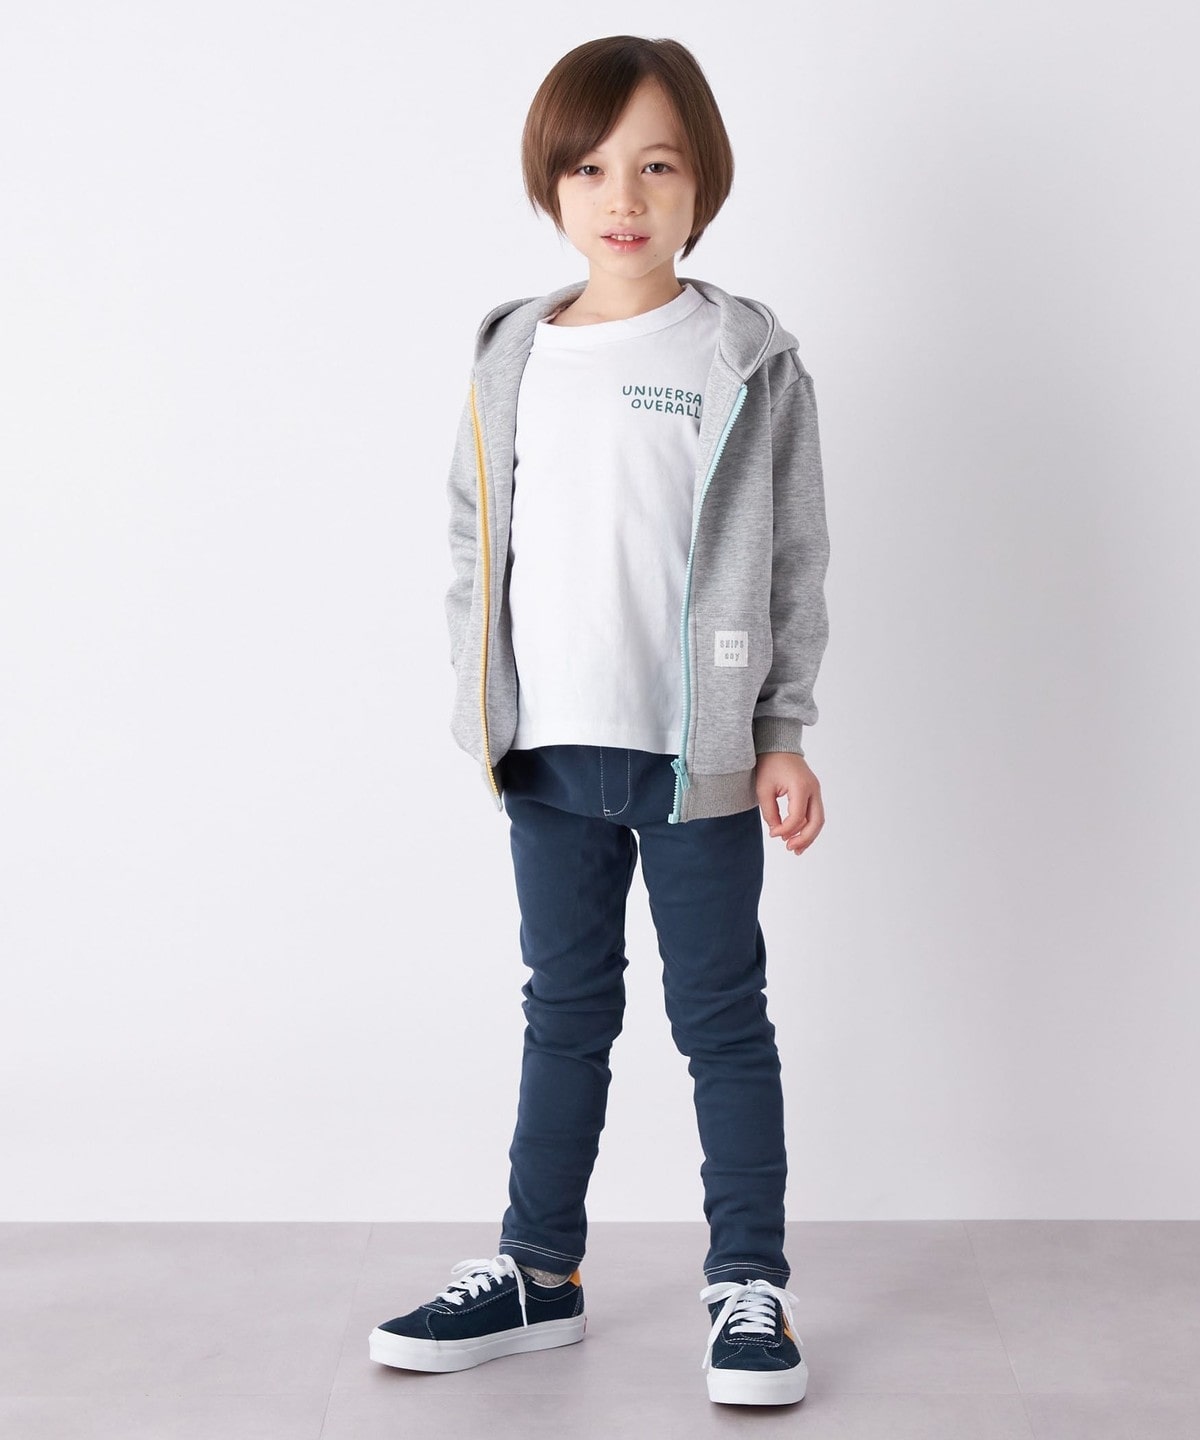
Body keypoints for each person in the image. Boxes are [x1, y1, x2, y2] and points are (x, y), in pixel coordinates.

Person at [369, 34, 830, 1407]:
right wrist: (483, 702)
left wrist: (783, 729)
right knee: (563, 1012)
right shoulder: (513, 350)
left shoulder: (746, 356)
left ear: (703, 185)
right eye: (589, 169)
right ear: (551, 186)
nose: (622, 196)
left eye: (657, 166)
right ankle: (538, 1272)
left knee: (721, 1017)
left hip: (702, 756)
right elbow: (475, 536)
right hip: (549, 751)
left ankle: (748, 1285)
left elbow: (794, 558)